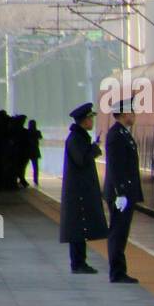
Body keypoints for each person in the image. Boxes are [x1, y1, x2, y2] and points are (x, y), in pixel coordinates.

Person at [59, 103, 109, 274]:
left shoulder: (79, 138)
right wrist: (94, 149)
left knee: (81, 228)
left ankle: (81, 262)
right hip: (77, 193)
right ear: (84, 120)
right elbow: (81, 160)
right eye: (90, 118)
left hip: (80, 192)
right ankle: (78, 263)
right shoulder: (75, 139)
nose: (92, 122)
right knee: (77, 229)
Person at [102, 102, 144, 284]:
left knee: (121, 232)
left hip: (125, 193)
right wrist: (120, 192)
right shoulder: (116, 136)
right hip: (122, 194)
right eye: (132, 112)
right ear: (123, 113)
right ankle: (117, 272)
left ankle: (119, 270)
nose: (134, 115)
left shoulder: (122, 134)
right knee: (118, 232)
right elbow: (115, 167)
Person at [26, 119, 43, 187]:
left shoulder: (27, 132)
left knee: (24, 166)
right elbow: (40, 137)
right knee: (35, 167)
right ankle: (35, 180)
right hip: (35, 151)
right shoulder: (37, 132)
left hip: (27, 151)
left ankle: (22, 178)